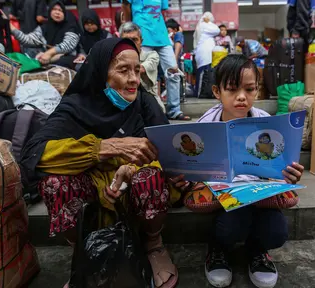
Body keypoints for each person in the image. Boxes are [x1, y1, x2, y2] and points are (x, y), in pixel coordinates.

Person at [20, 38, 179, 288]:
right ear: (99, 72)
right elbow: (35, 155)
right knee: (54, 184)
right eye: (123, 70)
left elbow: (165, 152)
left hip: (133, 197)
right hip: (90, 195)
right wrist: (103, 148)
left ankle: (153, 245)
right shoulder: (74, 107)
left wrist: (128, 171)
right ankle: (83, 252)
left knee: (150, 176)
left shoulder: (144, 103)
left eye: (136, 70)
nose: (134, 80)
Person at [195, 54, 304, 288]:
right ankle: (218, 249)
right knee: (233, 224)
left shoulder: (268, 123)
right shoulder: (205, 125)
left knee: (277, 232)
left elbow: (281, 165)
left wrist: (290, 174)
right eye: (232, 89)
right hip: (224, 199)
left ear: (257, 90)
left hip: (260, 194)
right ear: (217, 91)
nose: (242, 97)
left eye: (250, 89)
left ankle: (257, 251)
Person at [122, 0, 191, 120]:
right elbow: (126, 6)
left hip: (161, 35)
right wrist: (130, 27)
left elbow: (161, 12)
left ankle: (174, 110)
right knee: (140, 72)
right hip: (141, 34)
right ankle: (140, 109)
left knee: (173, 72)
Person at [10, 0, 80, 69]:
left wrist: (49, 53)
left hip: (67, 58)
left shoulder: (70, 26)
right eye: (54, 9)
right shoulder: (44, 28)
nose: (57, 12)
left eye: (60, 10)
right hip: (47, 59)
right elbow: (28, 40)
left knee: (62, 62)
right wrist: (12, 28)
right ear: (49, 12)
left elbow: (67, 45)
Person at [120, 22, 165, 112]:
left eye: (134, 39)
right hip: (124, 102)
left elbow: (141, 69)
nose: (130, 43)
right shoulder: (116, 58)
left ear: (141, 41)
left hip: (149, 103)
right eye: (126, 40)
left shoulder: (152, 55)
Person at [193, 12, 220, 98]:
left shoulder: (201, 26)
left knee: (205, 74)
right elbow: (217, 30)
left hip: (204, 55)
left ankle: (204, 92)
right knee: (203, 74)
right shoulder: (204, 25)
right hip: (204, 55)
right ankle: (200, 93)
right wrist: (208, 22)